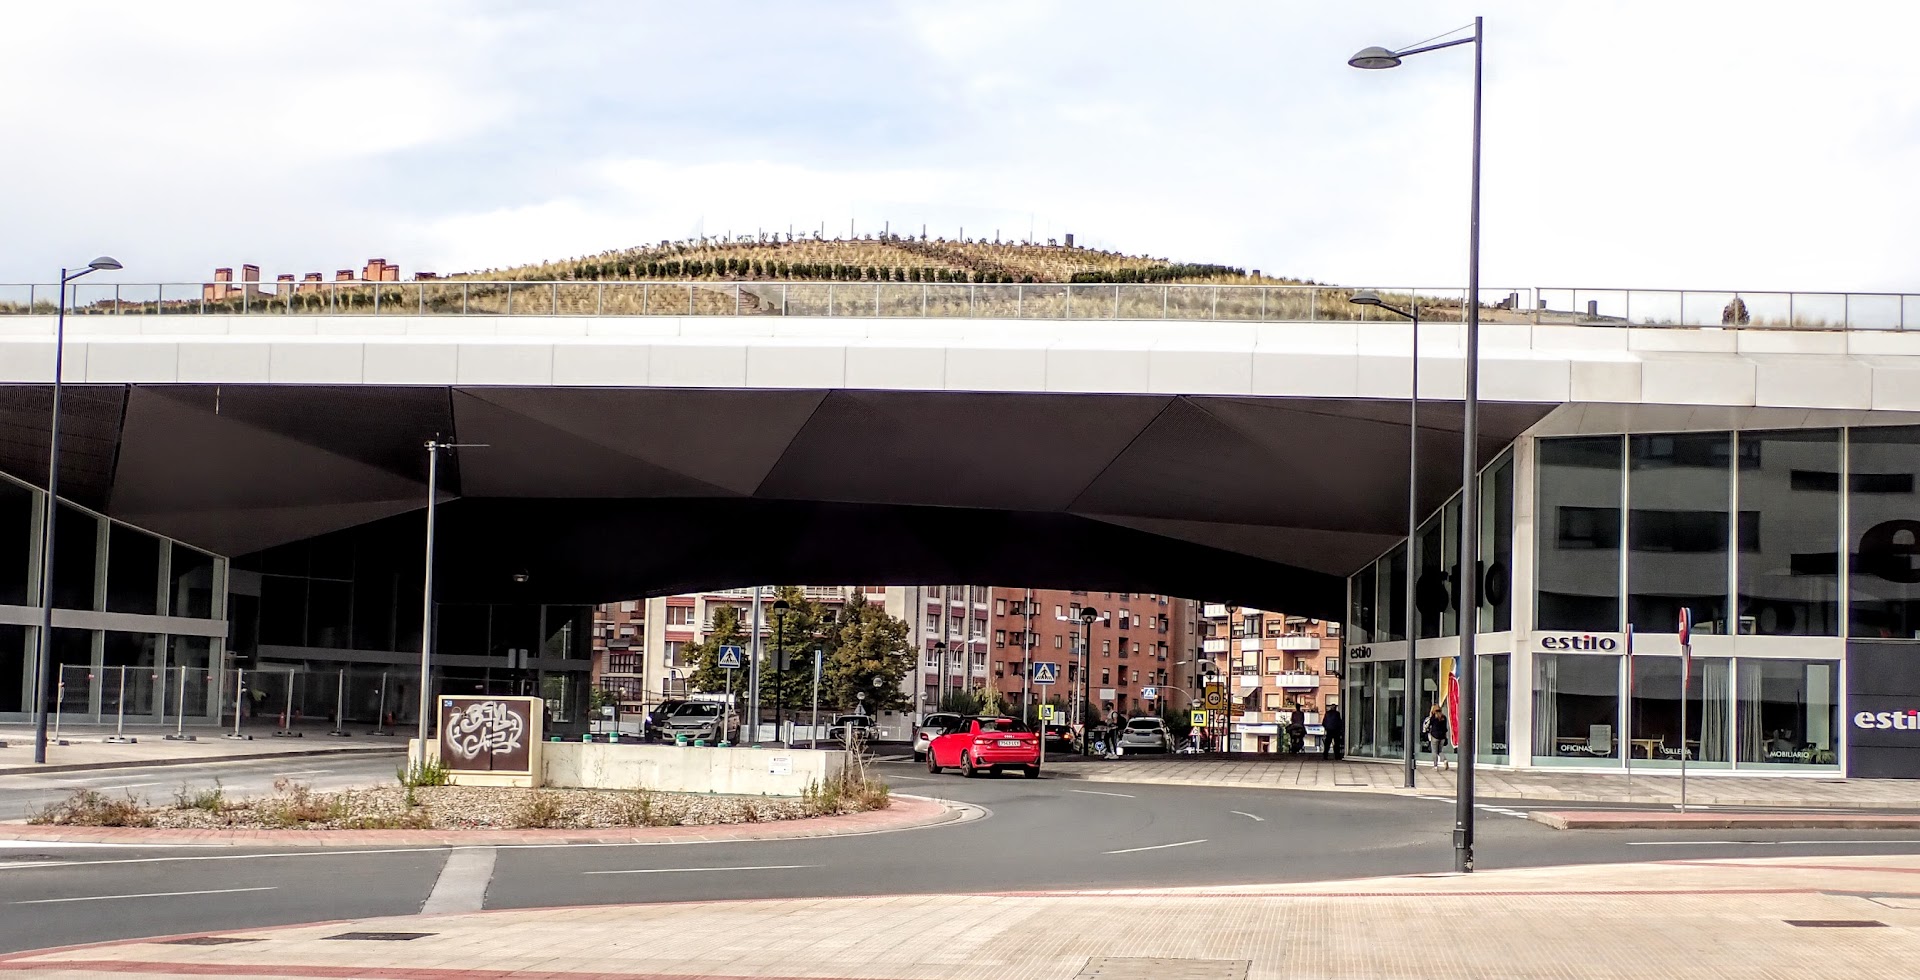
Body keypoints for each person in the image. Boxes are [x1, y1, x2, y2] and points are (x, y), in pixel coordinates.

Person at [1422, 704, 1451, 770]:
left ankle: (1435, 766)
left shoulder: (1433, 717)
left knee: (1434, 751)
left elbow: (1428, 725)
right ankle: (1445, 760)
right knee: (1440, 751)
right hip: (1442, 737)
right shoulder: (1444, 717)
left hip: (1435, 736)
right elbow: (1445, 729)